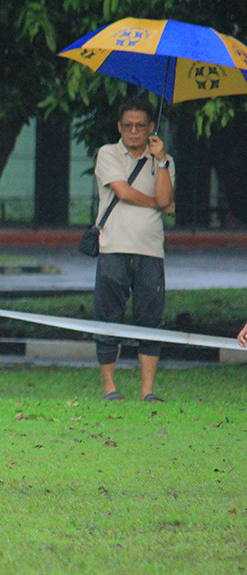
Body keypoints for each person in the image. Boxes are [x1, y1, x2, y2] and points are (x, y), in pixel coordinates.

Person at [93, 96, 175, 403]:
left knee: (150, 320)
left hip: (150, 250)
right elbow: (124, 192)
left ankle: (147, 390)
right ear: (119, 127)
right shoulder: (108, 153)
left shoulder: (164, 161)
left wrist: (162, 161)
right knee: (108, 317)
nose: (134, 131)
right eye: (128, 125)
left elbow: (167, 199)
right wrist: (159, 204)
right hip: (113, 247)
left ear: (151, 127)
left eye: (140, 125)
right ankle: (109, 388)